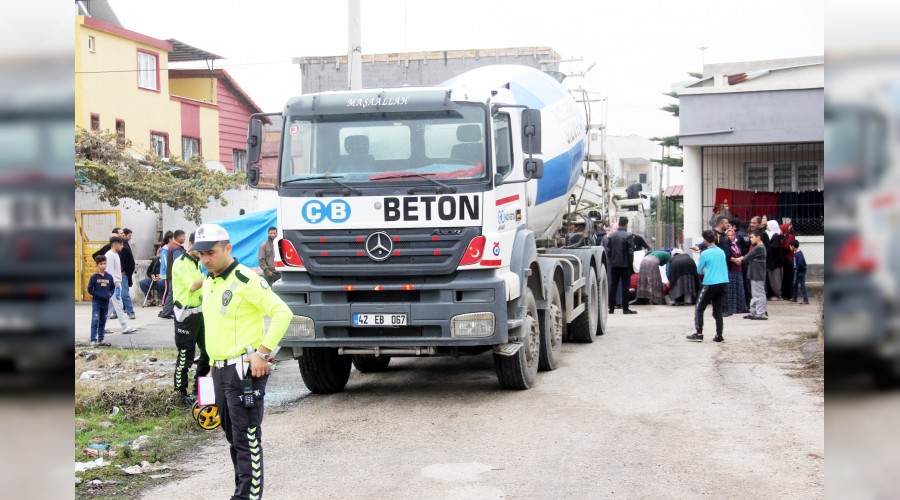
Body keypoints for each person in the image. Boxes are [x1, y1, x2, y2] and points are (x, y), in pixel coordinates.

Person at [195, 223, 292, 500]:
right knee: (233, 439)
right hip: (219, 370)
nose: (206, 259)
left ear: (228, 248)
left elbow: (282, 313)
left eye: (211, 253)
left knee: (247, 439)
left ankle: (247, 497)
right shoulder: (210, 280)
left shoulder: (246, 280)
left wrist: (263, 353)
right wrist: (209, 367)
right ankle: (242, 493)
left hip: (243, 372)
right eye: (201, 254)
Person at [172, 232, 210, 407]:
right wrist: (210, 274)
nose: (202, 252)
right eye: (199, 248)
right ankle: (180, 393)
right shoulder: (181, 263)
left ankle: (199, 388)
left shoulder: (197, 262)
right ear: (190, 244)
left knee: (208, 350)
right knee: (186, 355)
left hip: (200, 313)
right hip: (185, 315)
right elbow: (193, 286)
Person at [686, 229, 729, 343]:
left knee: (699, 307)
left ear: (705, 241)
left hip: (710, 283)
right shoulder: (721, 251)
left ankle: (699, 333)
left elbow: (699, 270)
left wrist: (706, 269)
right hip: (723, 282)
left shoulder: (704, 253)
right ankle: (719, 335)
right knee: (718, 310)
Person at [104, 236, 138, 334]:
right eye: (121, 244)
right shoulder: (110, 255)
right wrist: (114, 284)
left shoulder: (115, 254)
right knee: (119, 306)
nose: (122, 246)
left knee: (110, 307)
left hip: (116, 284)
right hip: (114, 285)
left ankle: (101, 326)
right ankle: (125, 327)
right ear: (116, 244)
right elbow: (109, 271)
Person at [603, 217, 637, 315]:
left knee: (613, 286)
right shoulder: (628, 236)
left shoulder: (611, 236)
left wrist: (611, 260)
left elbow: (608, 250)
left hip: (614, 264)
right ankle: (625, 309)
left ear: (618, 224)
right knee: (625, 287)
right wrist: (630, 264)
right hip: (625, 265)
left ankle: (611, 308)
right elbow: (630, 252)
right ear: (626, 225)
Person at [736, 229, 768, 320]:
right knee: (755, 295)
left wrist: (738, 259)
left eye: (752, 237)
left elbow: (747, 256)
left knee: (758, 294)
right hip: (755, 274)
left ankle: (761, 313)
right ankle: (753, 312)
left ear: (758, 237)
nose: (750, 239)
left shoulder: (759, 248)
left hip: (758, 275)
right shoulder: (758, 247)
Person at [87, 255, 114, 348]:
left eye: (105, 263)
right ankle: (93, 340)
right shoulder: (94, 277)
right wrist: (97, 294)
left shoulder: (109, 277)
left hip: (105, 302)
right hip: (97, 302)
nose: (103, 266)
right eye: (101, 264)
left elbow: (112, 287)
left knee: (103, 320)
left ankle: (101, 339)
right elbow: (90, 289)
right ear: (97, 265)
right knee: (95, 320)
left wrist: (109, 294)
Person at [160, 230, 187, 319]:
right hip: (175, 275)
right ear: (178, 237)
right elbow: (178, 263)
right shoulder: (176, 248)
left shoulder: (173, 246)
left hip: (173, 274)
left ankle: (167, 311)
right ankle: (165, 312)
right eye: (183, 236)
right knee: (172, 293)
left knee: (172, 293)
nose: (184, 238)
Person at [724, 229, 748, 316]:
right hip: (731, 269)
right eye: (728, 235)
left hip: (738, 269)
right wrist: (735, 260)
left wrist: (740, 259)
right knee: (731, 290)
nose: (730, 237)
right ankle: (731, 308)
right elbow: (727, 256)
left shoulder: (736, 244)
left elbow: (740, 254)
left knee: (739, 288)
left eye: (732, 235)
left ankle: (740, 307)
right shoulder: (726, 246)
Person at [765, 220, 784, 300]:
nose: (767, 227)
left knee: (775, 279)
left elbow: (774, 248)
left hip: (775, 262)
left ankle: (778, 294)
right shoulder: (772, 234)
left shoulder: (775, 235)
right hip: (774, 261)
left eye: (768, 225)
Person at [157, 231, 174, 314]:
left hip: (169, 272)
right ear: (170, 239)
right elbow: (165, 262)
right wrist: (169, 271)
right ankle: (164, 304)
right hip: (166, 273)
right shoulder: (165, 249)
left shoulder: (169, 249)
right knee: (167, 290)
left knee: (169, 289)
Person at [780, 221, 796, 301]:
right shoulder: (788, 235)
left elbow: (787, 246)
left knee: (788, 277)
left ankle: (788, 294)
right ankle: (786, 294)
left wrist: (781, 244)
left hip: (788, 259)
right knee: (787, 277)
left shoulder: (789, 236)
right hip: (787, 259)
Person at [789, 240, 809, 305]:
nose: (790, 248)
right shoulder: (797, 253)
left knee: (802, 285)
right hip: (798, 271)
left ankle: (806, 300)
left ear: (793, 246)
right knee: (795, 284)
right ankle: (794, 298)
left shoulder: (798, 254)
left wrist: (797, 269)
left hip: (800, 271)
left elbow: (800, 264)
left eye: (790, 246)